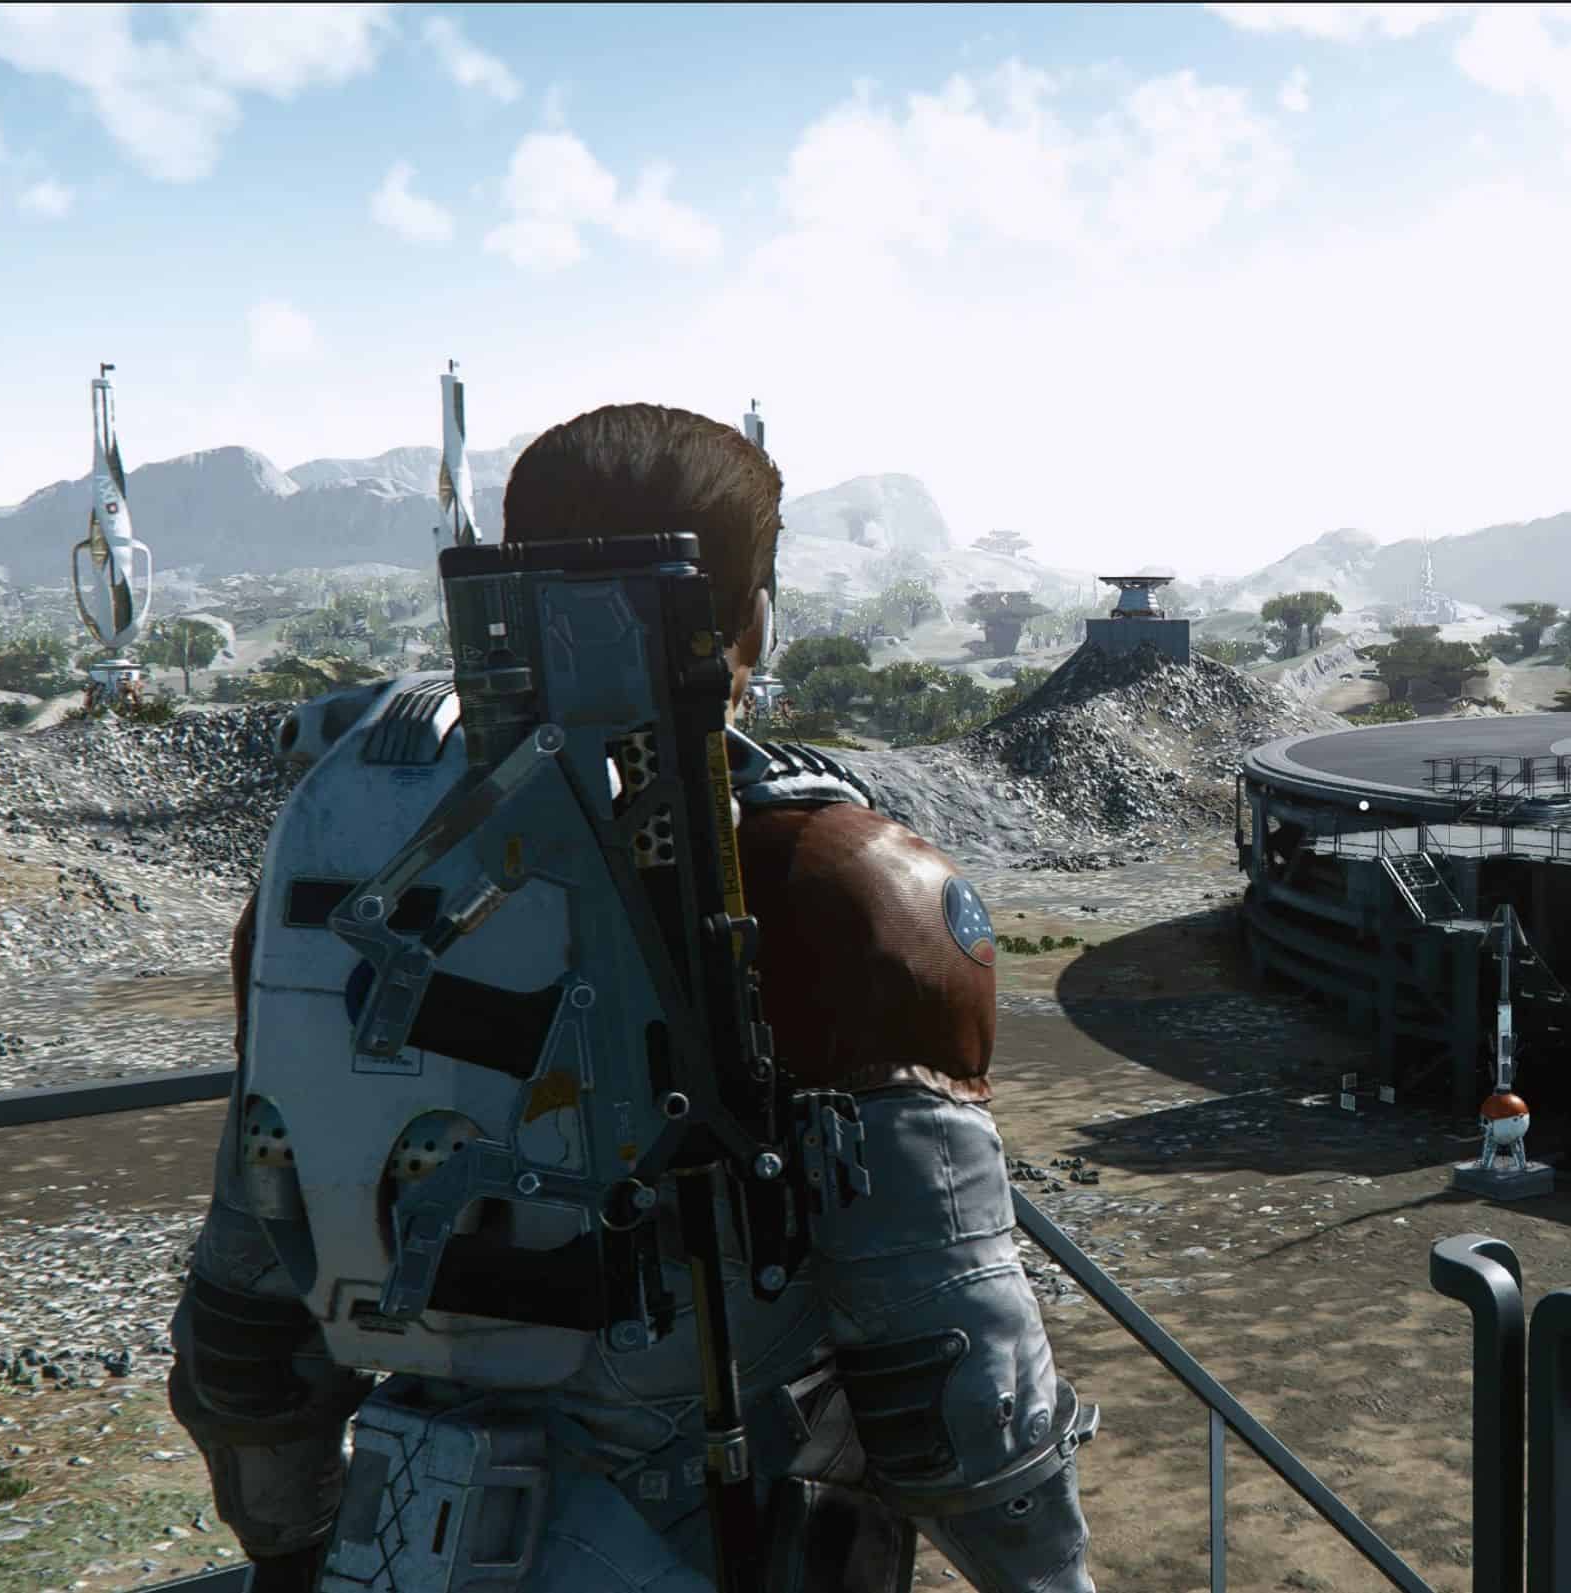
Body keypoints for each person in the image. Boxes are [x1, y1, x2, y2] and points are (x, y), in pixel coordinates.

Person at [169, 402, 1097, 1592]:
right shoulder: (842, 885)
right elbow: (960, 1391)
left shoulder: (344, 868)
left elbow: (247, 1322)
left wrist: (297, 1556)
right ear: (756, 612)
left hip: (403, 1540)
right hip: (720, 1536)